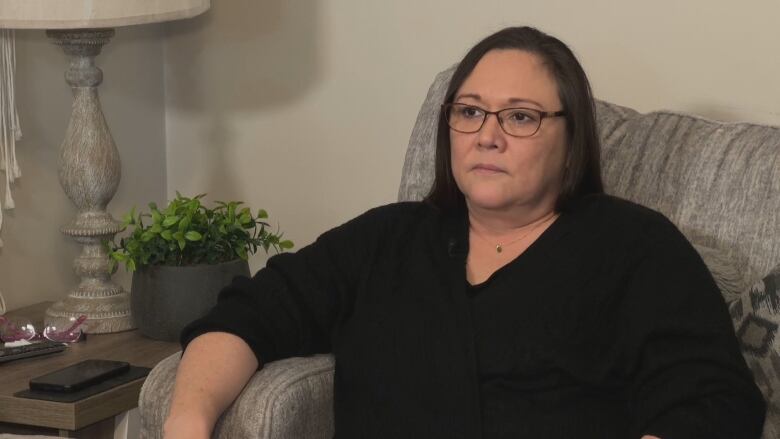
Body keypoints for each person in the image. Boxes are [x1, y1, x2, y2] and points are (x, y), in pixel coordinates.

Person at [163, 26, 766, 439]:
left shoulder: (633, 247)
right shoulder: (386, 240)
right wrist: (187, 422)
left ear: (572, 139)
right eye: (470, 111)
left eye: (521, 117)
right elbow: (247, 315)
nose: (488, 134)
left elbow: (712, 400)